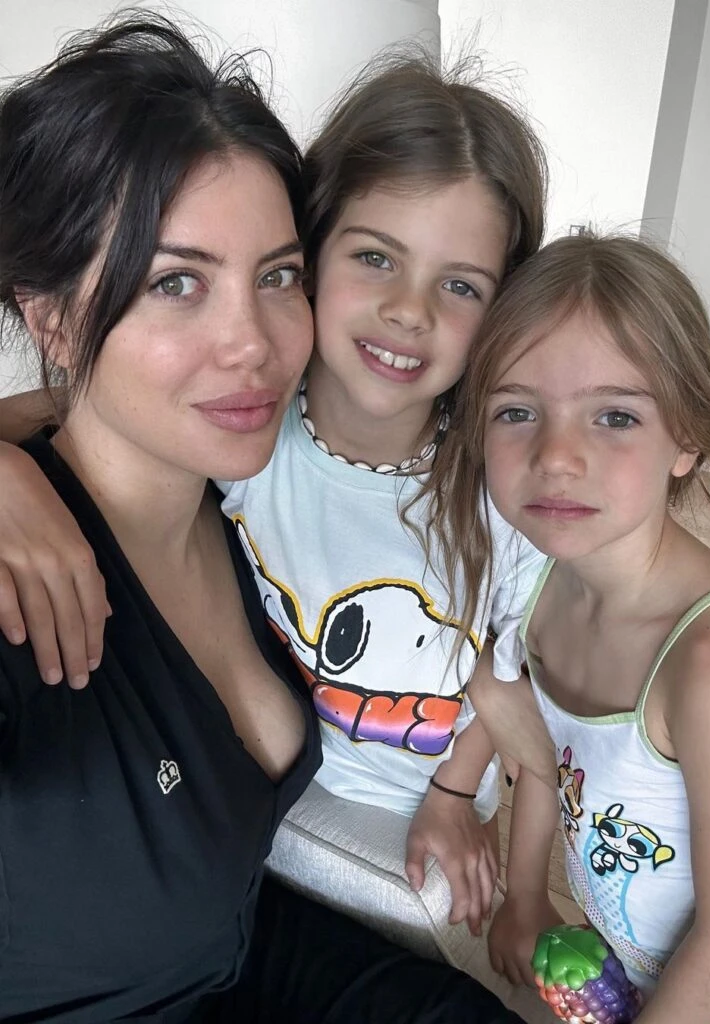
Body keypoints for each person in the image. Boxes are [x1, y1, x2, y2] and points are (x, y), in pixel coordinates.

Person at [0, 14, 532, 1022]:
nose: (253, 344)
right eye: (177, 282)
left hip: (240, 957)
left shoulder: (229, 489)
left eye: (278, 276)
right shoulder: (16, 587)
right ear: (52, 317)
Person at [421, 233, 710, 1022]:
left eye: (614, 416)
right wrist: (524, 894)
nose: (556, 456)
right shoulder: (540, 587)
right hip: (619, 963)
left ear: (687, 438)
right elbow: (546, 759)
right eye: (516, 411)